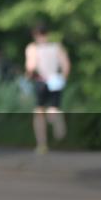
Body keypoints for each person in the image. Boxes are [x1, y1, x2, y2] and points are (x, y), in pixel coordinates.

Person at [24, 23, 71, 154]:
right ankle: (57, 120)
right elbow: (66, 65)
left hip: (41, 81)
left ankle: (41, 144)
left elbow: (31, 66)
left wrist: (28, 74)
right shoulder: (57, 48)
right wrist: (63, 78)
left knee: (39, 112)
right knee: (53, 109)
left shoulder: (32, 48)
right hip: (56, 80)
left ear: (35, 36)